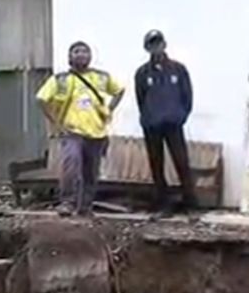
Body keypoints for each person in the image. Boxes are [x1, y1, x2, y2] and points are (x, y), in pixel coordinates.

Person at [36, 41, 125, 217]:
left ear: (90, 56)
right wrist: (55, 122)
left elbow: (119, 90)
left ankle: (86, 207)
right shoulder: (60, 80)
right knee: (71, 163)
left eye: (85, 51)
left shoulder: (101, 77)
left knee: (91, 171)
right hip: (71, 131)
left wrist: (110, 109)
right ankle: (67, 202)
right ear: (70, 57)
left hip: (97, 131)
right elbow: (41, 99)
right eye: (76, 51)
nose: (81, 54)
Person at [135, 30, 198, 214]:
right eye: (152, 44)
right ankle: (163, 204)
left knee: (182, 163)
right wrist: (148, 117)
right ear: (147, 47)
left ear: (164, 44)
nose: (156, 47)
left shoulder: (178, 69)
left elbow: (187, 96)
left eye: (159, 42)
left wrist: (181, 116)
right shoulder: (142, 72)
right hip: (152, 125)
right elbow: (141, 98)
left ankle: (191, 204)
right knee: (157, 165)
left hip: (173, 124)